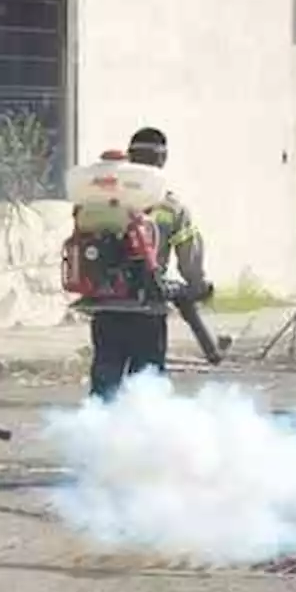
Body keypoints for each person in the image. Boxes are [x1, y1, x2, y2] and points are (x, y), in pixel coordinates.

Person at [88, 127, 211, 400]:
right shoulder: (171, 208)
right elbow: (190, 261)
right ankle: (139, 439)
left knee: (105, 384)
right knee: (146, 390)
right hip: (148, 310)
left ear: (130, 157)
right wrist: (198, 286)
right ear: (162, 160)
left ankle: (95, 437)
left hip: (106, 308)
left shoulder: (101, 200)